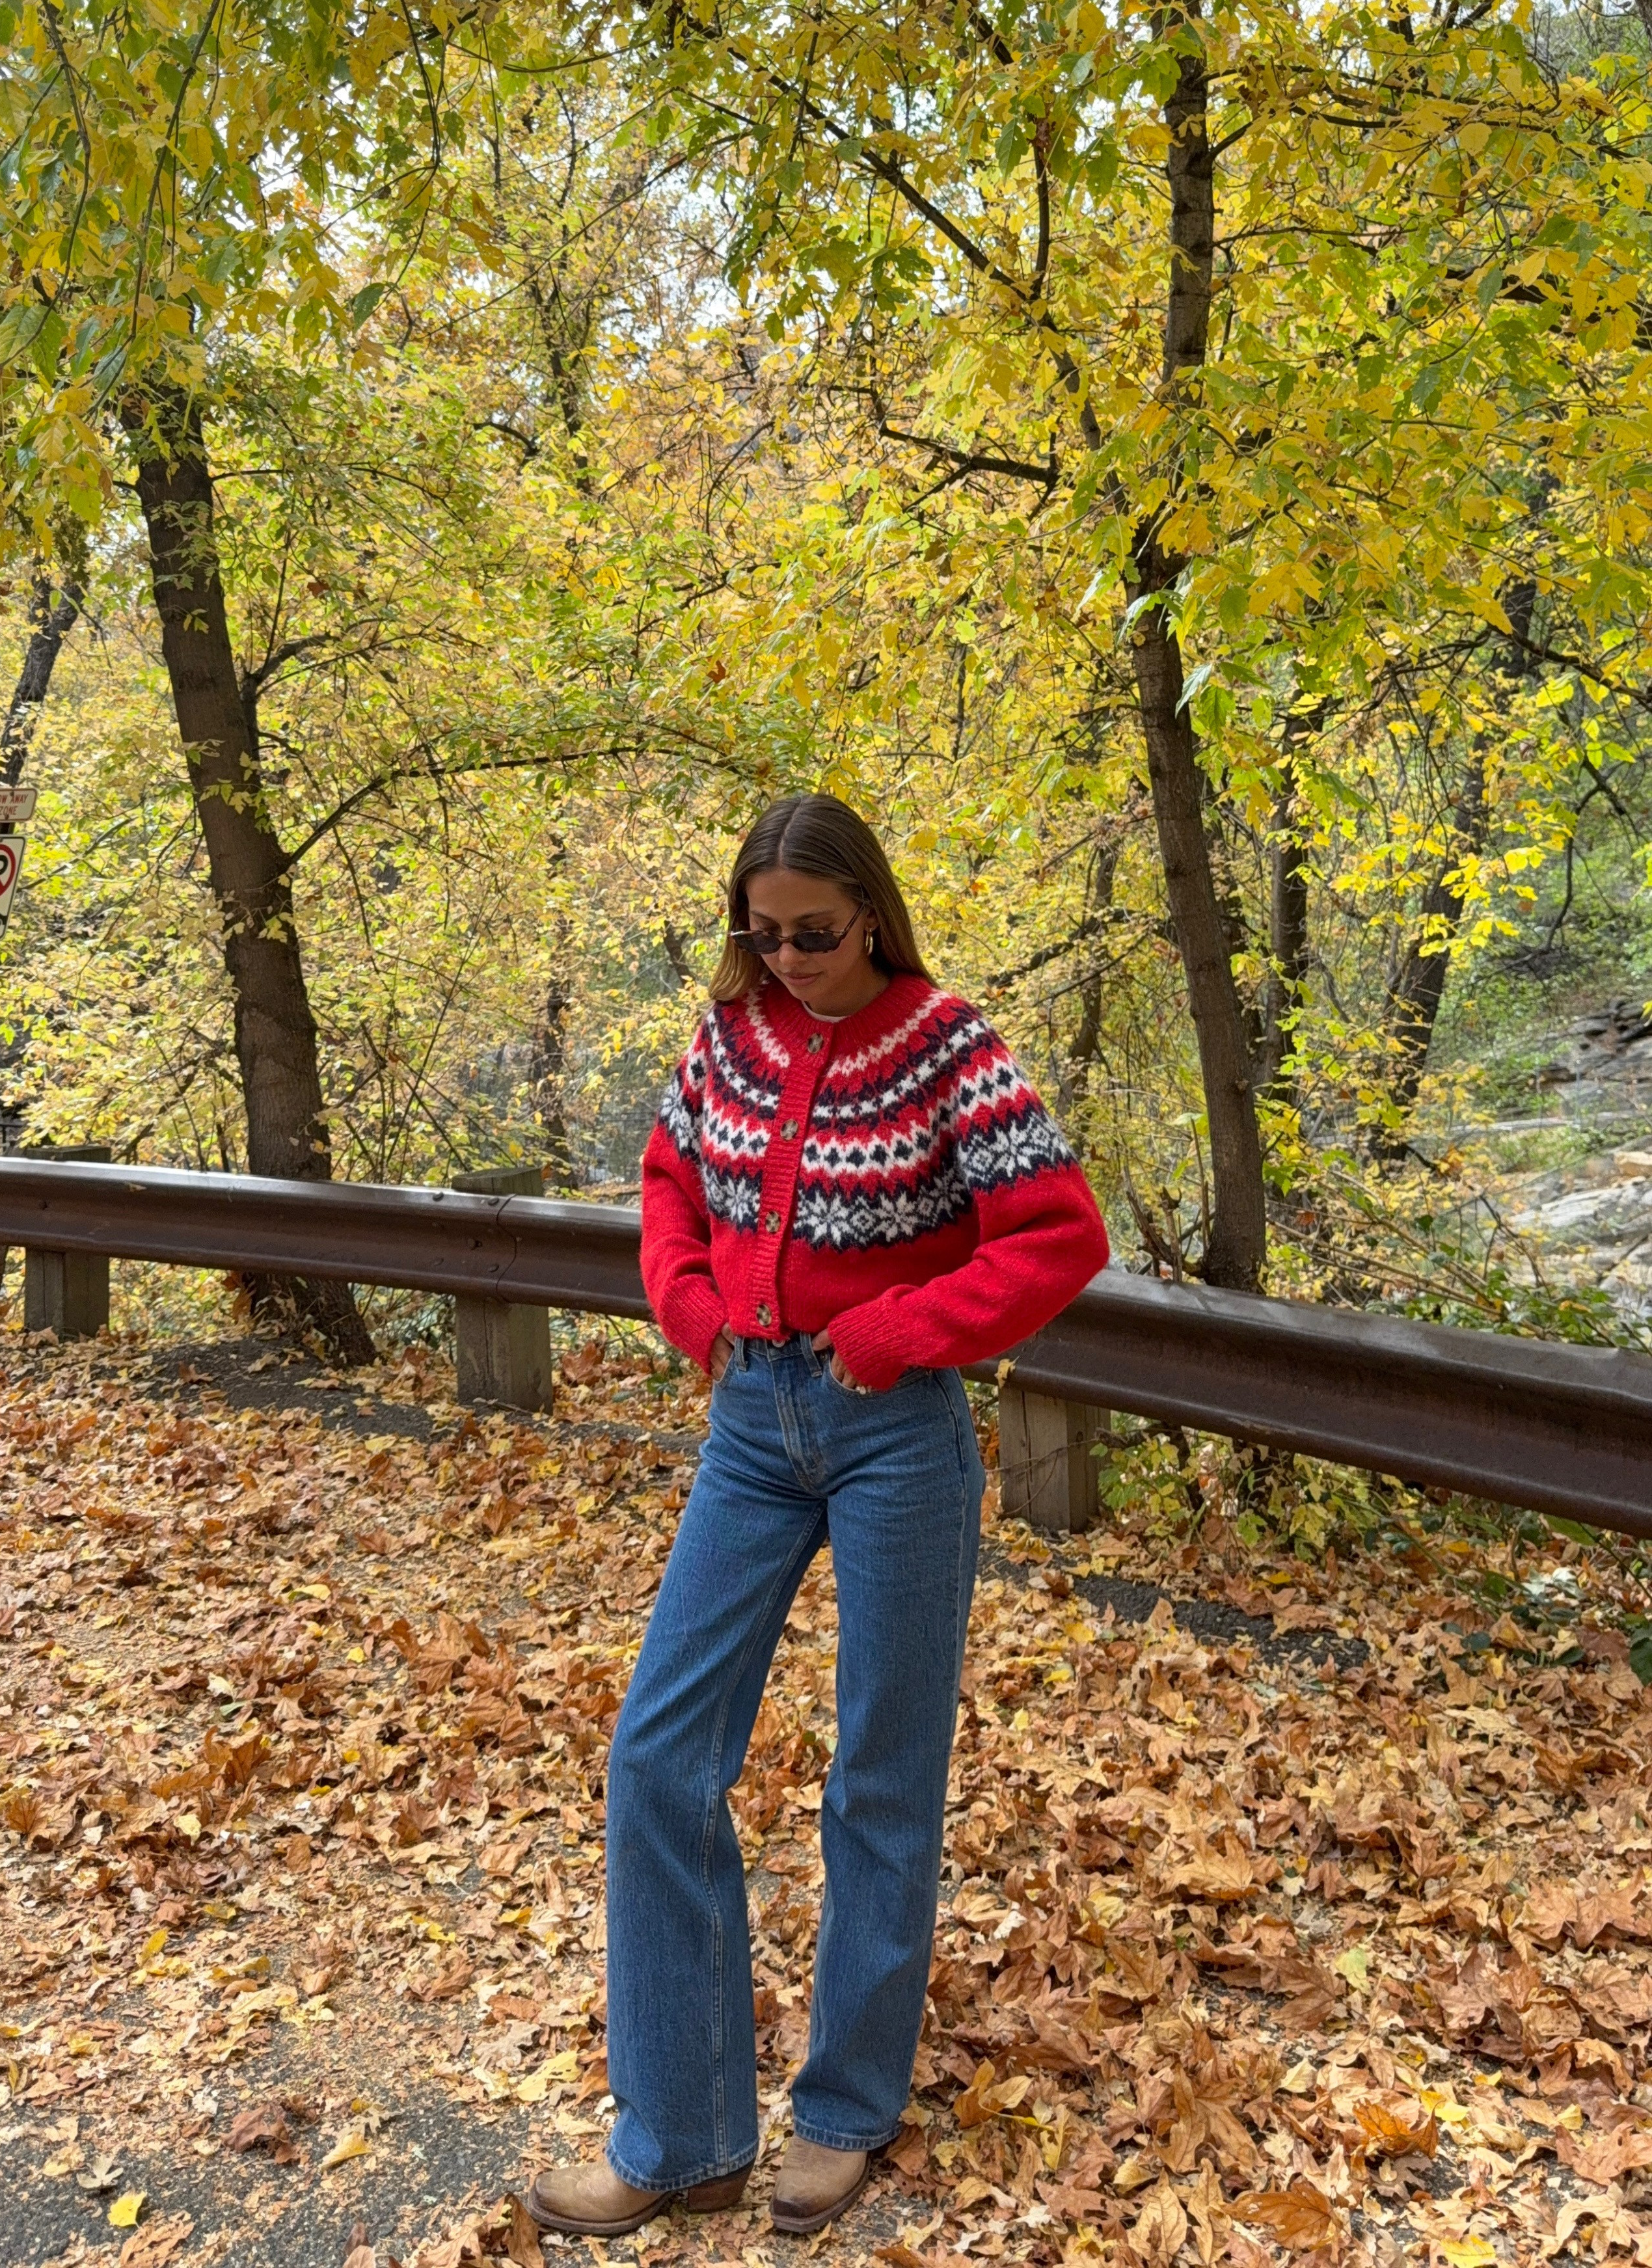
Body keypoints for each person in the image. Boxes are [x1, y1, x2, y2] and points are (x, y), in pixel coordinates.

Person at [526, 792, 1109, 2241]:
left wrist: (909, 1328)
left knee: (879, 1776)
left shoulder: (947, 1047)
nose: (787, 958)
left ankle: (845, 2111)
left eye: (815, 933)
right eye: (763, 932)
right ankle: (680, 2135)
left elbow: (1058, 1234)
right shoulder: (731, 1036)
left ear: (871, 915)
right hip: (749, 1421)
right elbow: (670, 1179)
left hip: (895, 1435)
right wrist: (687, 1303)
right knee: (658, 1756)